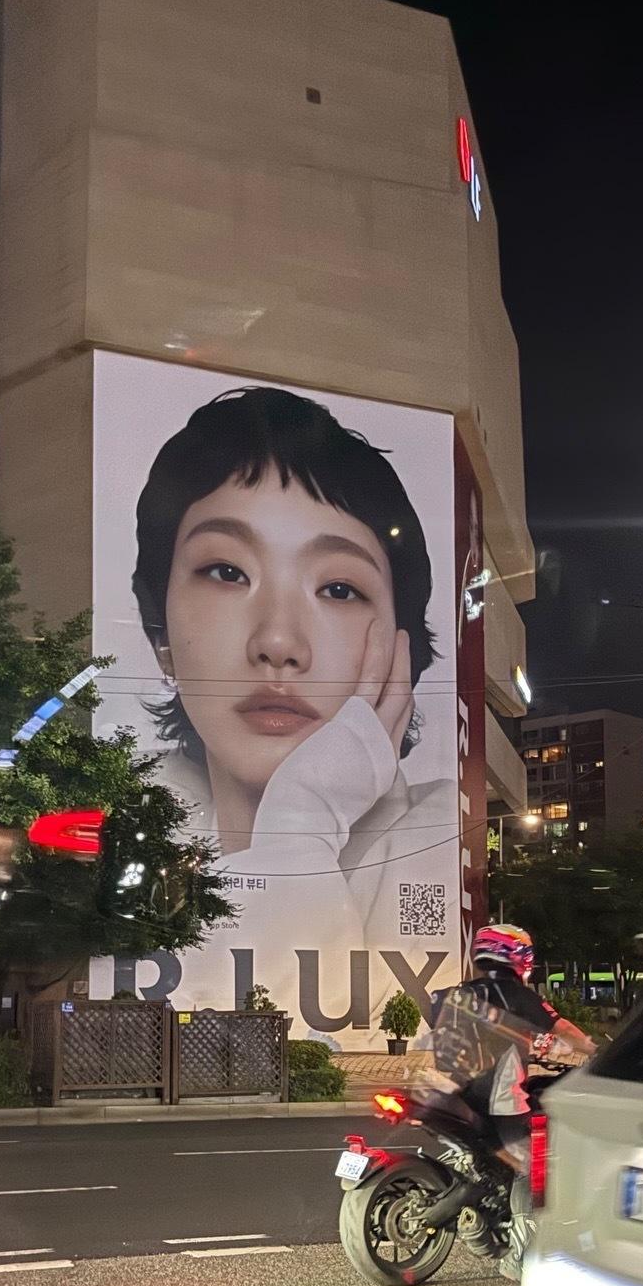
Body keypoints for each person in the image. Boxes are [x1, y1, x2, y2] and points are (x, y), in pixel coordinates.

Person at [127, 385, 455, 973]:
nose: (278, 643)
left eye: (338, 589)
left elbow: (300, 1014)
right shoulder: (130, 819)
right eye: (227, 572)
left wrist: (300, 824)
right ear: (161, 637)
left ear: (401, 651)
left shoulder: (436, 841)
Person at [432, 923, 597, 1279]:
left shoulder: (461, 992)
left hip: (457, 1096)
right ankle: (520, 1255)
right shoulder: (516, 995)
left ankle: (482, 1217)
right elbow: (564, 1030)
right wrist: (596, 1052)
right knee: (529, 1164)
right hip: (499, 1099)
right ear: (518, 956)